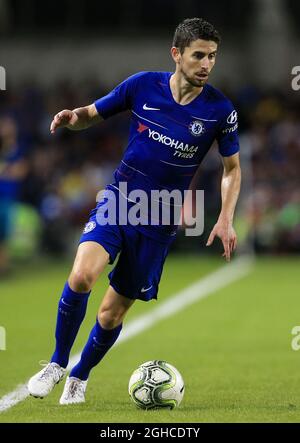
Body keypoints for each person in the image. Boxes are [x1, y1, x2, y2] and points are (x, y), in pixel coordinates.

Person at [28, 17, 241, 405]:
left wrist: (225, 217)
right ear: (177, 54)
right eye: (198, 55)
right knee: (81, 277)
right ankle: (57, 363)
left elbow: (232, 169)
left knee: (111, 314)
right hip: (120, 199)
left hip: (159, 219)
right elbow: (92, 113)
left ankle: (79, 375)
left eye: (212, 56)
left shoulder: (220, 110)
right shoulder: (142, 84)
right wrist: (73, 118)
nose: (207, 64)